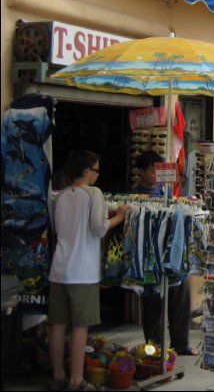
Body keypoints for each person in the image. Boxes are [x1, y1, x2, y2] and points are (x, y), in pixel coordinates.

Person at [48, 149, 130, 392]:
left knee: (58, 324)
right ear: (86, 171)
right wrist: (120, 216)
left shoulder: (60, 196)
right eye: (96, 170)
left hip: (59, 269)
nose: (98, 175)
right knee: (80, 327)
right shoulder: (93, 194)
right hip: (82, 271)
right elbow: (99, 228)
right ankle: (76, 380)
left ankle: (57, 376)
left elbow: (57, 230)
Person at [133, 151, 198, 356]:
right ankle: (155, 349)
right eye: (154, 170)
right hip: (151, 257)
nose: (157, 174)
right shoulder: (135, 196)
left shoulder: (165, 191)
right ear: (141, 172)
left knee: (181, 297)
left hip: (173, 255)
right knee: (153, 302)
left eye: (160, 169)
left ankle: (181, 343)